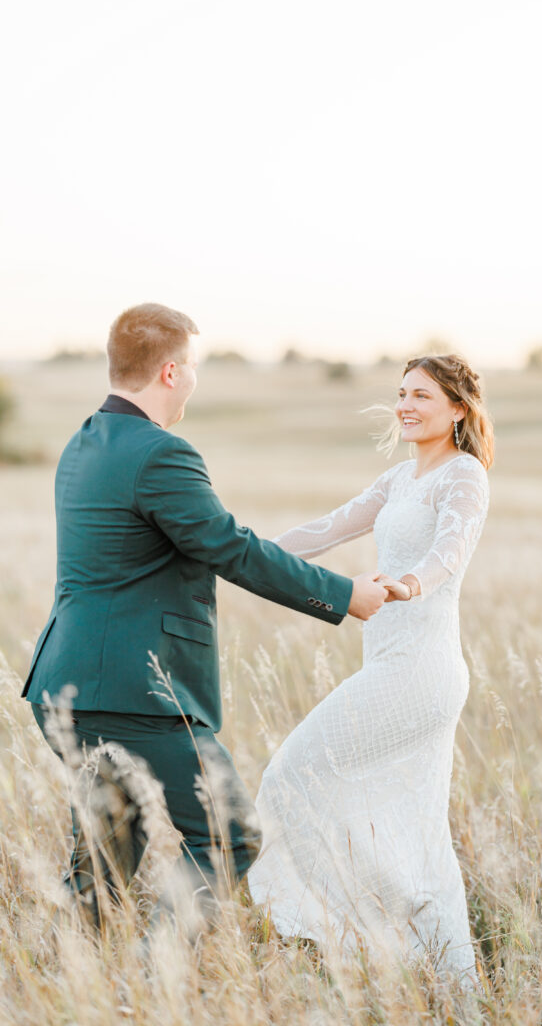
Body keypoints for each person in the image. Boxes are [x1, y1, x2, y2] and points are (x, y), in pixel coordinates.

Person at [22, 303, 387, 928]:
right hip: (135, 690)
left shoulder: (83, 444)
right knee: (230, 835)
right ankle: (156, 972)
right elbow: (230, 548)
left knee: (107, 852)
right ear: (169, 372)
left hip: (65, 684)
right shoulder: (160, 453)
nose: (193, 378)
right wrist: (345, 595)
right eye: (191, 366)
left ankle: (74, 983)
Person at [248, 353, 493, 981]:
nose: (406, 406)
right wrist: (240, 553)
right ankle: (429, 963)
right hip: (389, 662)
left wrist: (409, 584)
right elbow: (326, 530)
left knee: (290, 777)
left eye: (423, 397)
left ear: (459, 409)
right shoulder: (397, 479)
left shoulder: (463, 475)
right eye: (402, 393)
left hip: (421, 670)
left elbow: (451, 550)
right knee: (413, 829)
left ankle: (375, 930)